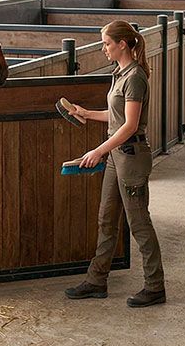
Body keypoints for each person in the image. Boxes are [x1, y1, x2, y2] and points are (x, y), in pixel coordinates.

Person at [63, 20, 166, 308]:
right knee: (106, 219)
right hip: (116, 155)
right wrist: (87, 113)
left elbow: (131, 125)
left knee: (139, 223)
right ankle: (97, 280)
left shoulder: (135, 77)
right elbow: (117, 116)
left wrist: (98, 151)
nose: (103, 48)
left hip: (131, 157)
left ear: (122, 44)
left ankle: (155, 286)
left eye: (107, 43)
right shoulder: (119, 74)